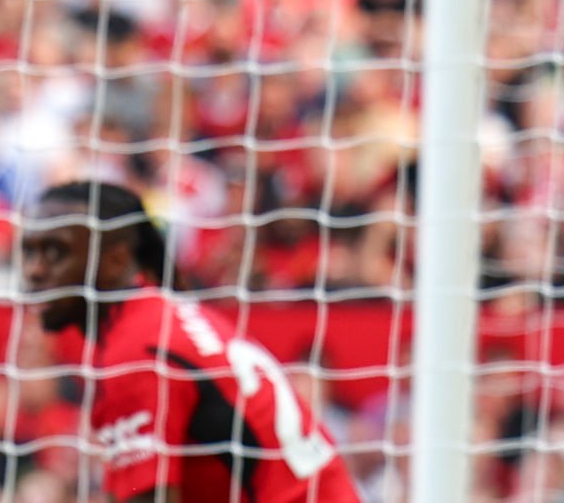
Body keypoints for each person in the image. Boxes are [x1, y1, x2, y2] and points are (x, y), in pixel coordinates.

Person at [23, 181, 362, 502]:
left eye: (56, 252)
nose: (34, 271)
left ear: (116, 259)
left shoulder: (140, 351)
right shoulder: (159, 319)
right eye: (28, 251)